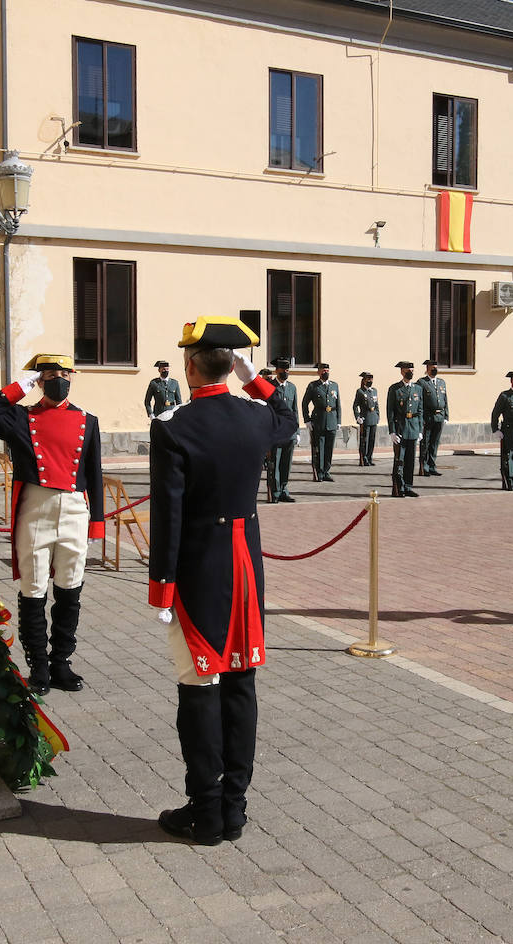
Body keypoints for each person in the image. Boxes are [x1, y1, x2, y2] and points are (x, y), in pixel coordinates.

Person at [147, 316, 297, 846]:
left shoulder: (172, 425)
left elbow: (168, 513)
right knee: (241, 683)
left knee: (198, 687)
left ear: (189, 367)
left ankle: (205, 809)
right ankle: (234, 808)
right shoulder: (256, 418)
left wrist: (162, 587)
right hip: (246, 566)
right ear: (229, 365)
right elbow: (288, 416)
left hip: (198, 569)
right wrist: (254, 377)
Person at [0, 353, 108, 695]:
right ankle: (39, 665)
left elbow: (94, 474)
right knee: (33, 591)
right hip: (35, 509)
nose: (58, 379)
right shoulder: (20, 417)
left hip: (75, 509)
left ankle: (61, 661)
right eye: (50, 374)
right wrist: (21, 386)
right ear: (40, 379)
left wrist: (97, 523)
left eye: (64, 373)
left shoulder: (88, 420)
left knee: (69, 589)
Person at [386, 361, 423, 498]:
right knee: (399, 461)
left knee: (410, 461)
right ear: (402, 371)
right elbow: (390, 411)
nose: (411, 372)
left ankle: (408, 486)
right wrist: (392, 431)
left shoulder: (417, 389)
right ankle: (398, 487)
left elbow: (420, 410)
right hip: (400, 428)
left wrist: (420, 430)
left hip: (413, 428)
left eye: (412, 370)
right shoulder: (395, 389)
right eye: (408, 370)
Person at [301, 362, 340, 482]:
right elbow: (304, 403)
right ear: (318, 372)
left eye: (327, 370)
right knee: (319, 448)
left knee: (329, 448)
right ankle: (319, 472)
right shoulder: (313, 386)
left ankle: (327, 471)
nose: (326, 372)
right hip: (319, 420)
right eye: (323, 371)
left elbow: (338, 404)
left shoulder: (334, 385)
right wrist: (307, 420)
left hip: (332, 420)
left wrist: (338, 421)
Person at [266, 357, 299, 502]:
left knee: (286, 463)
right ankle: (275, 491)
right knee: (275, 463)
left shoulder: (292, 388)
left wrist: (297, 432)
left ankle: (284, 490)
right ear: (276, 370)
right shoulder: (269, 387)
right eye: (283, 369)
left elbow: (295, 411)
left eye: (287, 370)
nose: (285, 372)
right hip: (277, 432)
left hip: (290, 433)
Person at [416, 360, 448, 476]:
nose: (435, 369)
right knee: (425, 443)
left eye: (436, 367)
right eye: (432, 367)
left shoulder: (441, 382)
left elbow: (445, 399)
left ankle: (432, 466)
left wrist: (446, 415)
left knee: (435, 443)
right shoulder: (421, 382)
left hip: (439, 417)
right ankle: (424, 467)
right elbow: (419, 401)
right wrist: (421, 419)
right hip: (428, 417)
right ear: (427, 368)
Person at [353, 371, 379, 466]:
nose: (370, 380)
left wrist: (377, 415)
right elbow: (355, 405)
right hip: (366, 418)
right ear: (364, 380)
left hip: (373, 418)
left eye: (371, 379)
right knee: (365, 440)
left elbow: (376, 405)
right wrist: (358, 417)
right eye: (368, 379)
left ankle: (369, 457)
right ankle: (363, 458)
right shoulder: (360, 391)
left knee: (372, 440)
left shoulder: (374, 390)